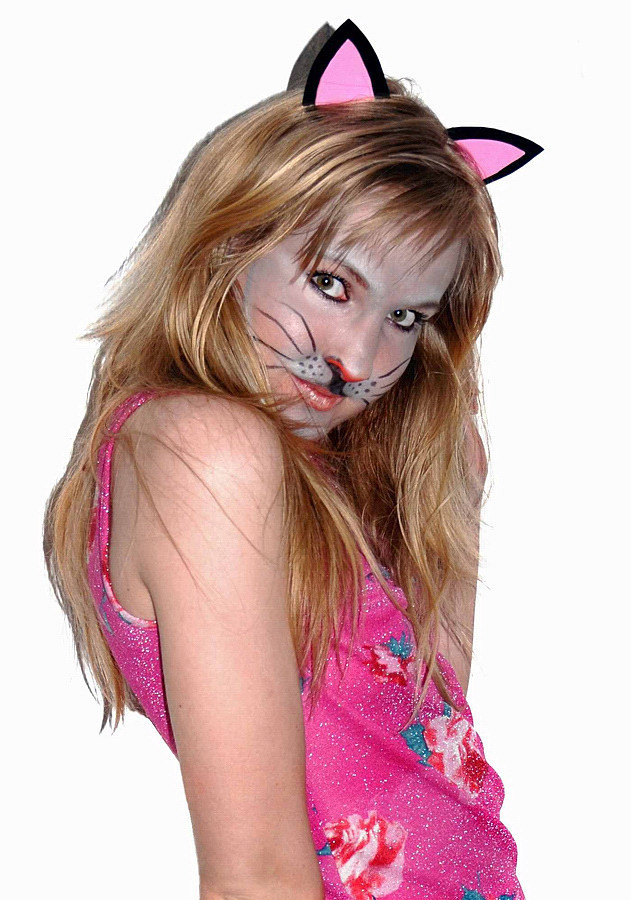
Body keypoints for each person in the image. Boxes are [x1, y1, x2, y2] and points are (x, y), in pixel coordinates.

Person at [43, 19, 542, 900]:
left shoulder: (396, 473)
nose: (357, 358)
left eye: (405, 317)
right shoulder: (201, 447)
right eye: (332, 284)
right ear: (231, 240)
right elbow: (252, 878)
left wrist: (446, 488)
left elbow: (427, 751)